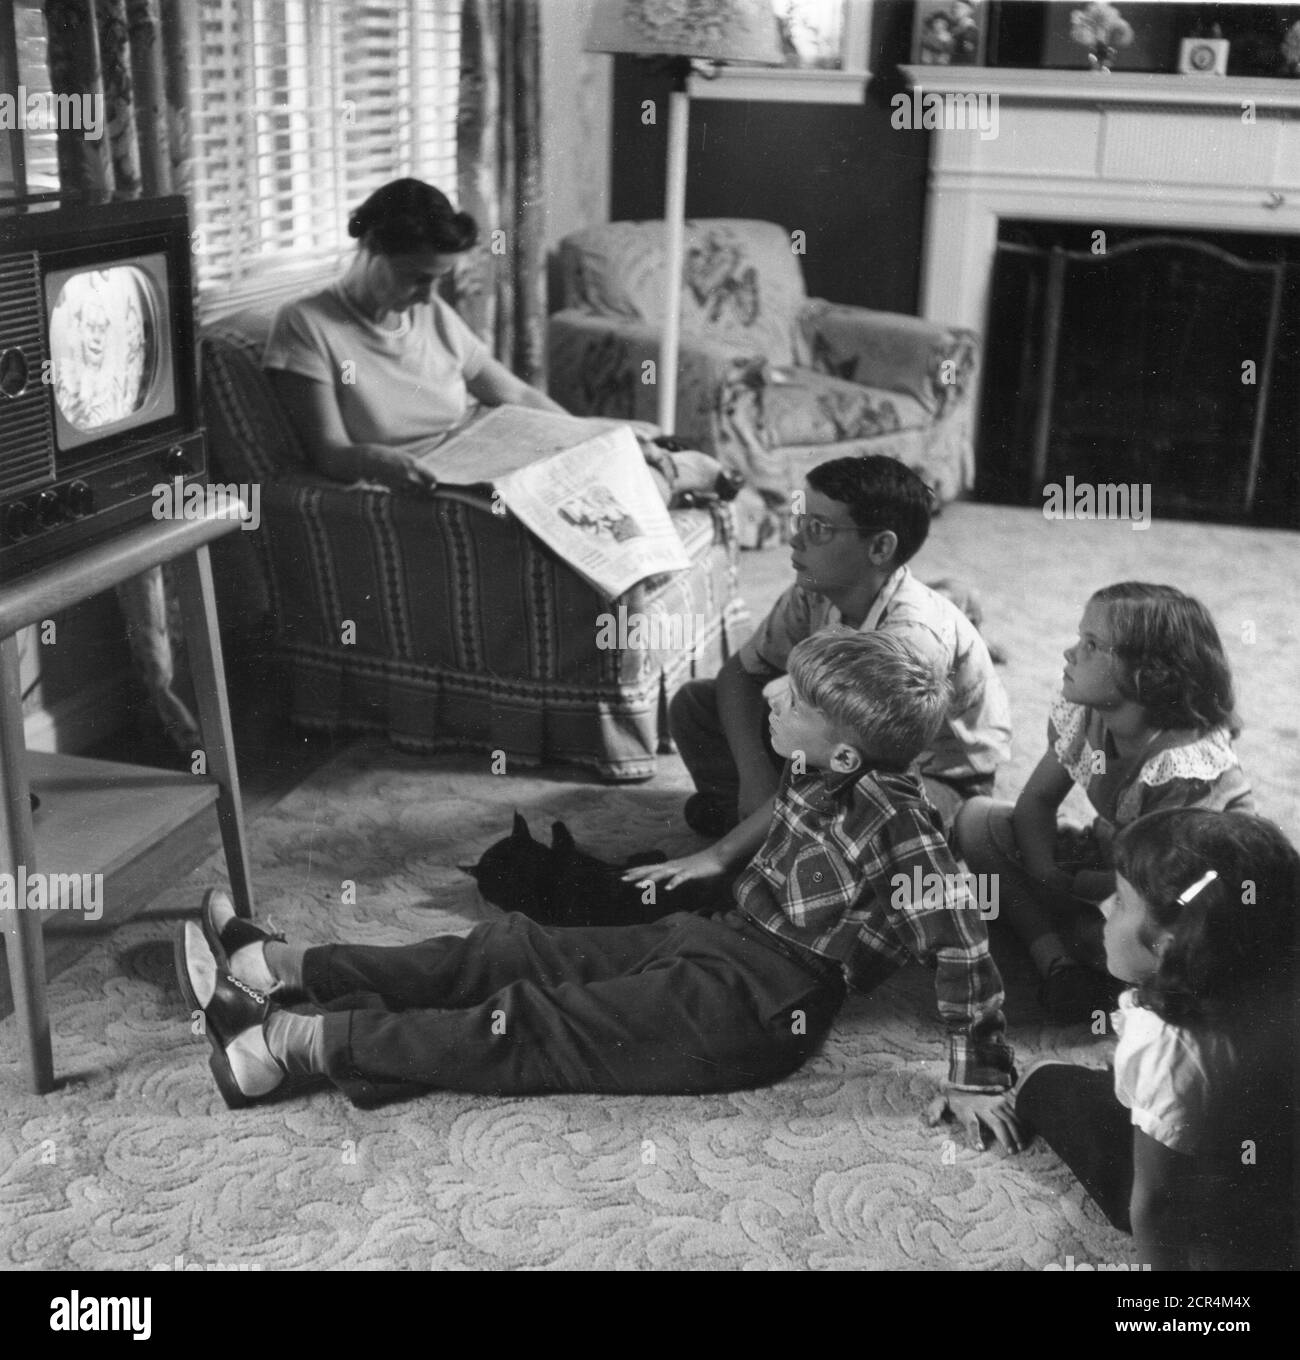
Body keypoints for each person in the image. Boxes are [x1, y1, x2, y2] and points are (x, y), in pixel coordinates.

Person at [175, 631, 1017, 1148]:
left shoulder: (904, 826)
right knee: (517, 949)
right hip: (724, 936)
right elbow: (778, 821)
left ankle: (292, 1044)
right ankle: (280, 964)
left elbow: (963, 941)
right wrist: (717, 861)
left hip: (761, 1008)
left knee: (530, 1025)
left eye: (790, 699)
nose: (767, 692)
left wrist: (976, 1072)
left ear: (846, 754)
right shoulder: (821, 768)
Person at [1008, 808, 1298, 1271]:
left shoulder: (1166, 1044)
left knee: (1044, 1082)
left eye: (1121, 901)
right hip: (1280, 1179)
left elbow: (1158, 1203)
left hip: (1211, 1204)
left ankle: (1044, 1085)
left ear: (1167, 945)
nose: (1105, 908)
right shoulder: (1274, 973)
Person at [669, 454, 1011, 841]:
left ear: (880, 548)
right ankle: (766, 827)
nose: (795, 538)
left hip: (923, 777)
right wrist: (755, 777)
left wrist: (720, 855)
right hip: (836, 746)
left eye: (817, 528)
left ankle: (762, 836)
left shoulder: (911, 637)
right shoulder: (813, 591)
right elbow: (741, 673)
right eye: (800, 520)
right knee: (697, 705)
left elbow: (848, 768)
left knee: (866, 815)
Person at [956, 582, 1253, 1023]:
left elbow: (1158, 880)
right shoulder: (1089, 715)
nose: (1070, 653)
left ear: (1148, 674)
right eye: (1081, 638)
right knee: (975, 822)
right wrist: (1048, 872)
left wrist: (1089, 887)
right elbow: (1035, 802)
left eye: (1092, 645)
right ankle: (1055, 958)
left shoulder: (1182, 763)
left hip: (1181, 885)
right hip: (1121, 857)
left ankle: (1087, 963)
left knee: (1157, 942)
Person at [262, 177, 566, 495]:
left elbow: (518, 395)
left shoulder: (428, 311)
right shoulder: (305, 322)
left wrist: (587, 435)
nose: (426, 297)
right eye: (416, 278)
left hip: (470, 461)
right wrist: (374, 461)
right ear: (370, 246)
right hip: (413, 483)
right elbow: (330, 453)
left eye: (436, 280)